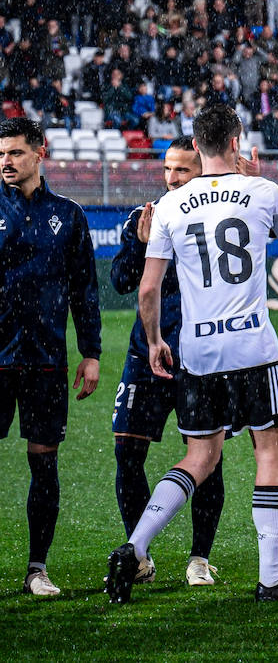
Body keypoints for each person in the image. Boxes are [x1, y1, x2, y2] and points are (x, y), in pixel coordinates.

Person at [105, 104, 278, 602]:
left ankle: (135, 547)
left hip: (197, 351)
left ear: (196, 146)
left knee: (199, 455)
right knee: (271, 451)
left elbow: (146, 290)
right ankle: (270, 578)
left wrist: (157, 341)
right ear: (237, 140)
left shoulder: (171, 206)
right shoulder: (262, 192)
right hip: (253, 346)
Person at [109, 137, 225, 588]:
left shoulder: (213, 220)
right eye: (168, 170)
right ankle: (138, 551)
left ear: (202, 173)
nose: (172, 179)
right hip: (146, 353)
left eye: (183, 171)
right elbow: (119, 282)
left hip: (197, 356)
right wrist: (139, 247)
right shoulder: (144, 218)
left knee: (207, 456)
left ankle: (200, 557)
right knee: (127, 453)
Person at [0, 117, 101, 597]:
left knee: (44, 461)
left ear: (41, 152)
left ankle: (37, 569)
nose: (5, 162)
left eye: (15, 153)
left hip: (45, 361)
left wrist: (91, 352)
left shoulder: (69, 214)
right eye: (1, 154)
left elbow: (84, 289)